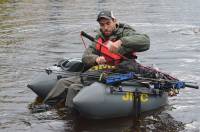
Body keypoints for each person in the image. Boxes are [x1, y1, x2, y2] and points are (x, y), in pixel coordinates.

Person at [43, 10, 150, 108]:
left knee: (74, 88)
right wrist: (96, 59)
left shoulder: (125, 32)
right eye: (102, 25)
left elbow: (145, 41)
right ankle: (46, 107)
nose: (105, 27)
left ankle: (71, 118)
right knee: (63, 82)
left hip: (120, 70)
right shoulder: (100, 37)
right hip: (100, 70)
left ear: (115, 21)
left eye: (108, 23)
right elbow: (85, 56)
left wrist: (120, 42)